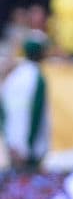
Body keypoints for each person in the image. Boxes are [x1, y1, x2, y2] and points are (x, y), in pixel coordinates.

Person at [0, 33, 50, 172]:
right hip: (31, 147)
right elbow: (36, 113)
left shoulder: (14, 76)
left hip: (13, 146)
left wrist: (9, 142)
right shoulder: (36, 77)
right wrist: (28, 146)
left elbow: (3, 111)